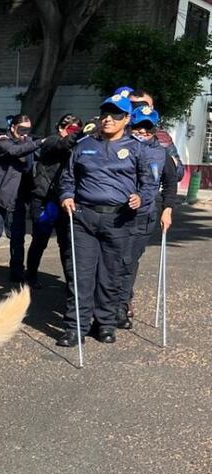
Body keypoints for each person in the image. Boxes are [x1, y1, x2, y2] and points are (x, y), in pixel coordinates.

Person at [56, 90, 156, 346]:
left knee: (110, 276)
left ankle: (105, 324)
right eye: (105, 114)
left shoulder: (137, 148)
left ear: (126, 119)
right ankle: (75, 327)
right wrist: (66, 195)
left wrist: (140, 198)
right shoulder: (84, 146)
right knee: (81, 276)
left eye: (115, 114)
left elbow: (148, 183)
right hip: (83, 219)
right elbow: (67, 178)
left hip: (119, 221)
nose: (108, 119)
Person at [115, 104, 177, 330]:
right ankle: (101, 304)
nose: (142, 134)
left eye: (148, 130)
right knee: (111, 261)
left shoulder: (161, 153)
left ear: (154, 131)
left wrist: (167, 209)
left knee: (128, 262)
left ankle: (120, 306)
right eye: (138, 129)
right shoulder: (118, 148)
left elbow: (170, 184)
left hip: (144, 216)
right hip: (116, 216)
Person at [0, 114, 40, 281]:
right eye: (21, 130)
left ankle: (17, 272)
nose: (25, 134)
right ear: (12, 128)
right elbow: (15, 151)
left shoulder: (29, 143)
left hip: (18, 198)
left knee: (18, 238)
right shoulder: (4, 141)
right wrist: (39, 142)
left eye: (28, 130)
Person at [24, 114, 83, 288]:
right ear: (60, 128)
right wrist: (81, 134)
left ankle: (71, 284)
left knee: (66, 244)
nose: (75, 133)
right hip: (45, 201)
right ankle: (30, 277)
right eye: (72, 130)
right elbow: (63, 144)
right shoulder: (51, 141)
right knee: (39, 241)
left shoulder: (78, 146)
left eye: (77, 130)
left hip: (66, 201)